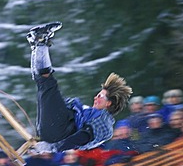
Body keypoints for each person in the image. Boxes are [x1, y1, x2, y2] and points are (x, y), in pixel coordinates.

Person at [25, 22, 132, 155]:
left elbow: (83, 137)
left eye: (100, 96)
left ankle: (40, 42)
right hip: (55, 128)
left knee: (48, 84)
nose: (95, 97)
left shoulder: (105, 124)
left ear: (109, 103)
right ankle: (37, 45)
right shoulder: (89, 111)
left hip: (60, 134)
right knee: (43, 83)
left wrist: (55, 148)